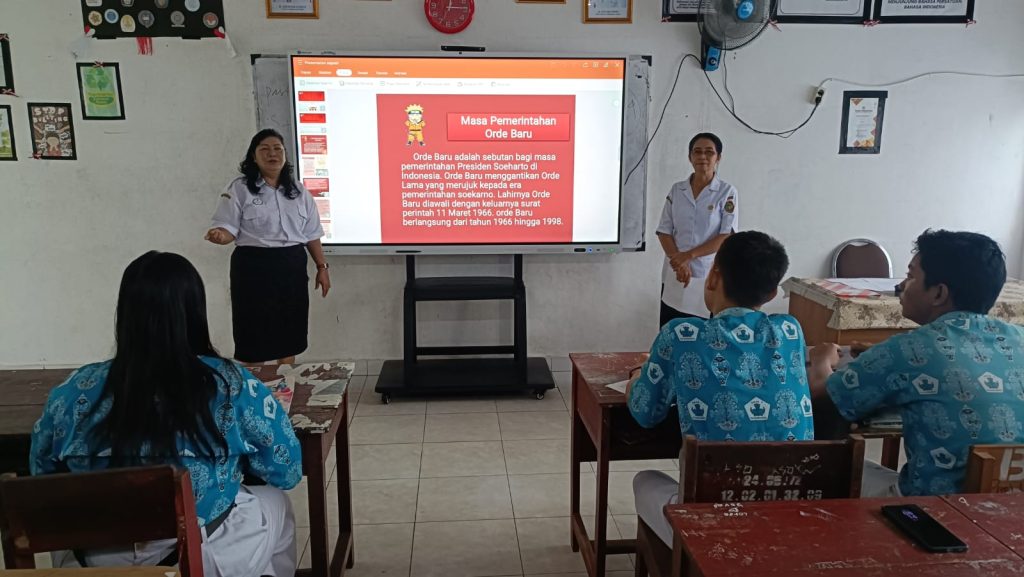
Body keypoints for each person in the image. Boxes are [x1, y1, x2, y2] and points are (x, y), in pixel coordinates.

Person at [30, 251, 302, 577]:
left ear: (125, 313)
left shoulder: (75, 389)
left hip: (93, 562)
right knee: (276, 502)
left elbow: (42, 477)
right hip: (203, 557)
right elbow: (286, 472)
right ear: (194, 311)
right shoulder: (232, 386)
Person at [628, 231, 813, 545]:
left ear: (713, 277)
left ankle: (675, 560)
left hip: (710, 528)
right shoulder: (790, 330)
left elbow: (645, 413)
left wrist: (637, 377)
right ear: (772, 293)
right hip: (786, 522)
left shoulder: (681, 334)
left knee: (645, 480)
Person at [809, 230, 1024, 498]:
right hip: (1011, 509)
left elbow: (822, 393)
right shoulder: (1018, 336)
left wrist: (821, 358)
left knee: (824, 470)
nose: (901, 286)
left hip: (933, 510)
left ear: (939, 293)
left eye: (910, 276)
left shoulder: (910, 349)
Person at [206, 128, 330, 364]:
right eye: (264, 149)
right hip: (253, 268)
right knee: (254, 333)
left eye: (277, 149)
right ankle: (255, 383)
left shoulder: (298, 191)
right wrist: (220, 235)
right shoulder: (240, 188)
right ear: (253, 156)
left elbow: (312, 234)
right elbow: (228, 228)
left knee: (290, 329)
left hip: (291, 267)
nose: (272, 154)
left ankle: (286, 381)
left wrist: (322, 267)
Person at [657, 132, 738, 326]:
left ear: (718, 157)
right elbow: (664, 230)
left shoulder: (727, 192)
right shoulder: (677, 190)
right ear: (690, 157)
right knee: (670, 328)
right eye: (697, 151)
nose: (702, 156)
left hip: (707, 273)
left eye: (709, 152)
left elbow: (726, 236)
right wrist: (679, 262)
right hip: (676, 271)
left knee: (702, 331)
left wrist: (688, 256)